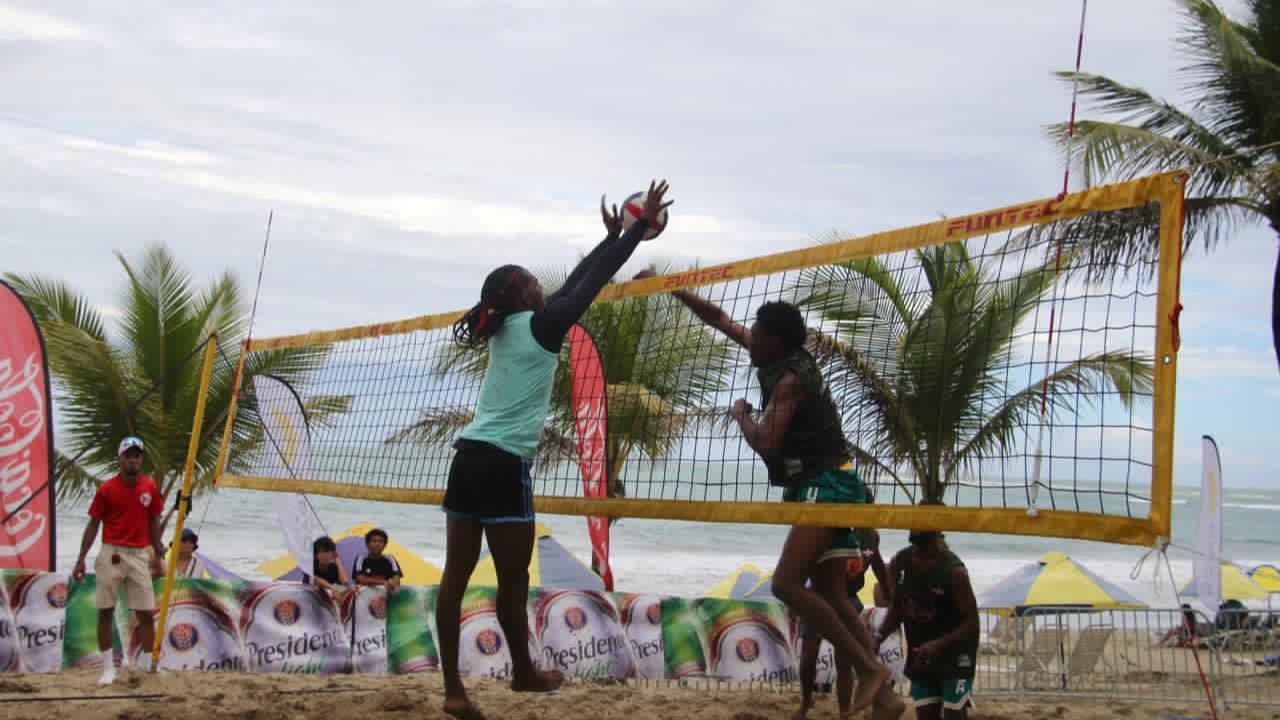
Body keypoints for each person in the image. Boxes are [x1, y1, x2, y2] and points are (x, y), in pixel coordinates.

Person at [436, 181, 672, 720]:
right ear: (525, 296)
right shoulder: (543, 326)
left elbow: (577, 280)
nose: (545, 289)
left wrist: (610, 235)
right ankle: (522, 671)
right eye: (536, 284)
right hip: (503, 464)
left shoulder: (509, 328)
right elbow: (588, 285)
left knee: (455, 576)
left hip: (467, 456)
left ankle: (453, 690)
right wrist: (636, 229)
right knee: (512, 580)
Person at [646, 276, 891, 715]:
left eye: (757, 333)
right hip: (828, 482)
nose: (749, 337)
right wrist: (672, 288)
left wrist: (742, 415)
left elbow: (767, 442)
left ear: (774, 342)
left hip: (827, 487)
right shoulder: (778, 359)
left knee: (785, 584)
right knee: (833, 596)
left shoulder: (790, 383)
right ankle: (886, 696)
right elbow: (719, 318)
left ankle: (870, 668)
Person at [71, 436, 166, 685]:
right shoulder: (107, 489)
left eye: (137, 455)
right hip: (112, 551)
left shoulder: (149, 487)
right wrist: (81, 558)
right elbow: (93, 523)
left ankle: (148, 667)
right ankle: (108, 669)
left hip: (138, 553)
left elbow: (154, 520)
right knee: (105, 611)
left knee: (145, 612)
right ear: (120, 458)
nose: (133, 459)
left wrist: (159, 552)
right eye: (129, 455)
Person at [795, 528, 902, 720]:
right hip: (819, 594)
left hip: (848, 597)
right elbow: (806, 560)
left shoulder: (871, 536)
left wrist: (887, 590)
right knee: (809, 655)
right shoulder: (835, 531)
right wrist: (798, 592)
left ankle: (844, 711)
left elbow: (876, 563)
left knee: (844, 659)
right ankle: (805, 702)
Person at [876, 531, 980, 720]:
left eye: (925, 548)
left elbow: (972, 623)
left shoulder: (955, 571)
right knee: (925, 713)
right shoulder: (901, 562)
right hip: (921, 653)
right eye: (916, 548)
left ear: (938, 543)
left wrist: (938, 645)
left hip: (956, 655)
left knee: (954, 713)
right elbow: (897, 608)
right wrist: (878, 637)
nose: (919, 553)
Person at [352, 528, 402, 592]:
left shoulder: (391, 559)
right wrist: (383, 582)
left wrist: (393, 583)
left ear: (385, 545)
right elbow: (360, 579)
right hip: (364, 594)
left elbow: (396, 578)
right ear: (367, 544)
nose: (377, 544)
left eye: (380, 541)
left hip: (385, 593)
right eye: (374, 541)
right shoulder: (361, 558)